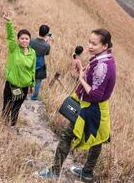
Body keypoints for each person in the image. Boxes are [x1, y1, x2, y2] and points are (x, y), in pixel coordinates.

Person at [38, 29, 116, 181]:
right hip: (99, 108)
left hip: (91, 108)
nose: (90, 46)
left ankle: (54, 171)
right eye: (89, 42)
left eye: (94, 43)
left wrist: (81, 79)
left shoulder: (102, 66)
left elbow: (94, 95)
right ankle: (86, 172)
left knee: (67, 135)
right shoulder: (105, 59)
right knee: (97, 139)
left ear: (105, 46)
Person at [2, 12, 36, 126]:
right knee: (7, 106)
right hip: (12, 84)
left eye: (27, 38)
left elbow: (32, 69)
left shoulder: (32, 53)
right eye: (22, 38)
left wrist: (32, 84)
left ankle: (12, 126)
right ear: (18, 39)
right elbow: (10, 36)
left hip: (24, 86)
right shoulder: (14, 48)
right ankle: (2, 125)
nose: (24, 41)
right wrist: (9, 23)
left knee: (16, 108)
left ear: (30, 40)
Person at [29, 25, 51, 101]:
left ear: (39, 30)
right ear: (46, 34)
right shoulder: (47, 46)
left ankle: (25, 94)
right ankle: (34, 97)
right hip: (40, 65)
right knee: (38, 81)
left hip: (30, 62)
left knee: (27, 78)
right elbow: (46, 53)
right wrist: (46, 42)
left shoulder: (31, 40)